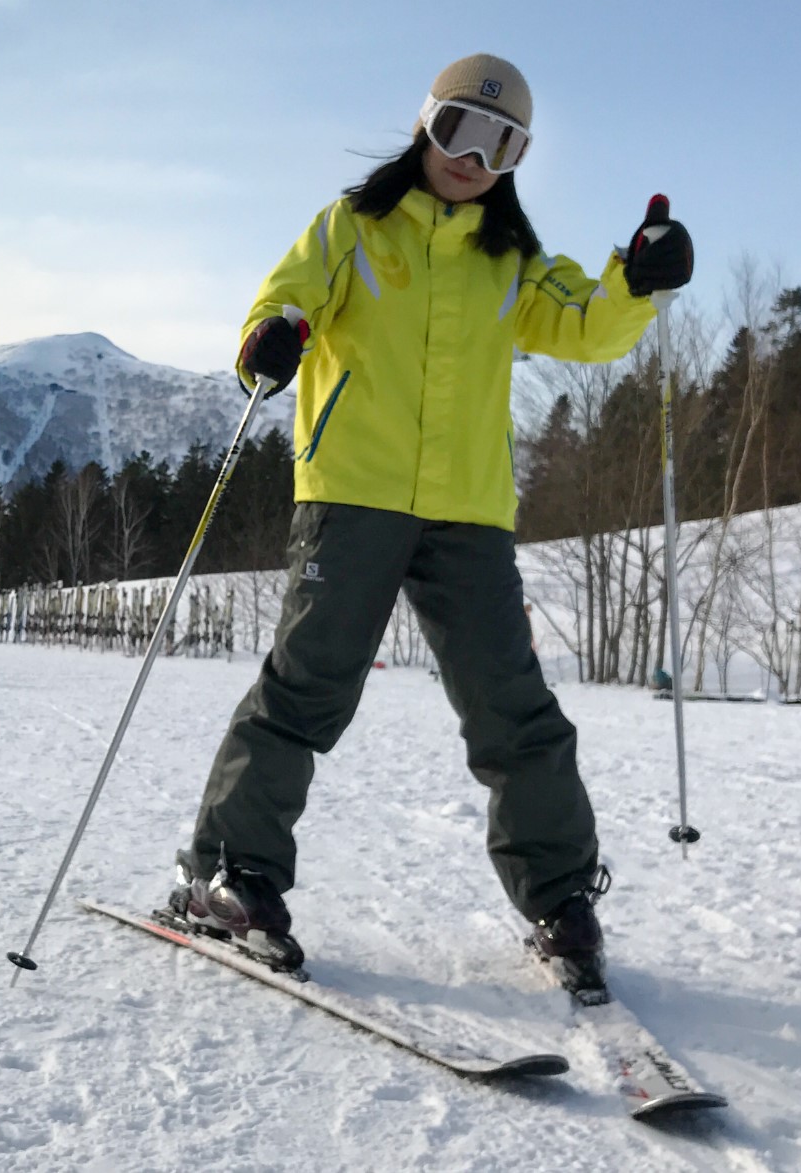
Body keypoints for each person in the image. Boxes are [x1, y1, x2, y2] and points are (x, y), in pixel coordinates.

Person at [165, 54, 694, 994]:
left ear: (517, 159)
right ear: (426, 126)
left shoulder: (512, 257)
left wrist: (638, 280)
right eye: (460, 129)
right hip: (353, 492)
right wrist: (273, 338)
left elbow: (585, 325)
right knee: (306, 689)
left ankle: (560, 898)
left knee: (512, 707)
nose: (473, 155)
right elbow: (276, 306)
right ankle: (230, 872)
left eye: (502, 143)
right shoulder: (353, 227)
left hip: (468, 509)